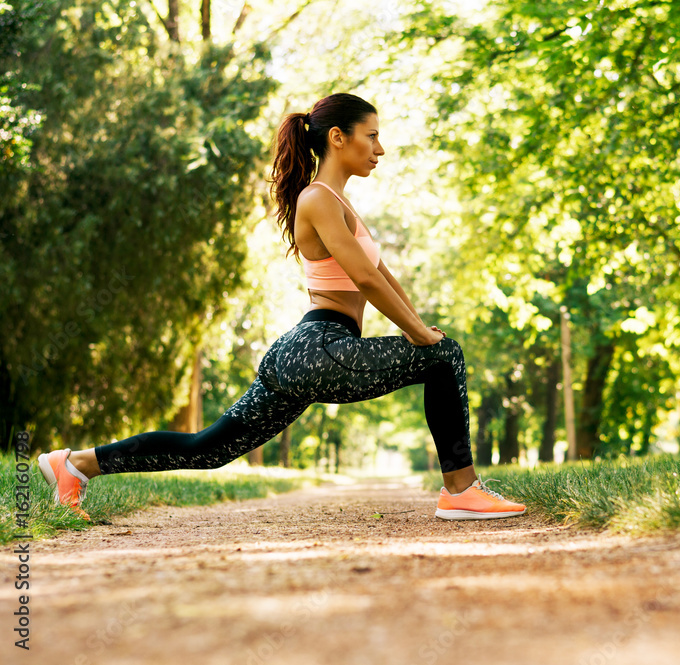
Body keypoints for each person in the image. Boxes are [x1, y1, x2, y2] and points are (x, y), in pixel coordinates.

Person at [35, 92, 526, 523]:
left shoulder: (339, 202)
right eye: (371, 137)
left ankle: (76, 463)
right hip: (321, 347)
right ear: (338, 137)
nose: (380, 149)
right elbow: (365, 278)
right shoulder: (317, 198)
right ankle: (461, 491)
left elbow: (384, 277)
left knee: (209, 448)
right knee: (446, 356)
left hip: (305, 352)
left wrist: (419, 326)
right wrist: (420, 336)